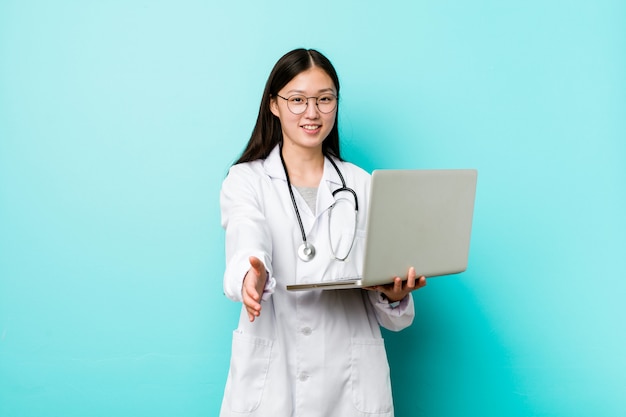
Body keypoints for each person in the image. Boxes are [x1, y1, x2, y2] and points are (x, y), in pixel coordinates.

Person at [219, 48, 427, 417]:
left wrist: (393, 295)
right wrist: (252, 274)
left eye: (324, 99)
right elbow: (246, 232)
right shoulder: (247, 180)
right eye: (297, 100)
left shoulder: (362, 185)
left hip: (349, 384)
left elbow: (394, 317)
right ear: (274, 105)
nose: (312, 113)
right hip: (273, 384)